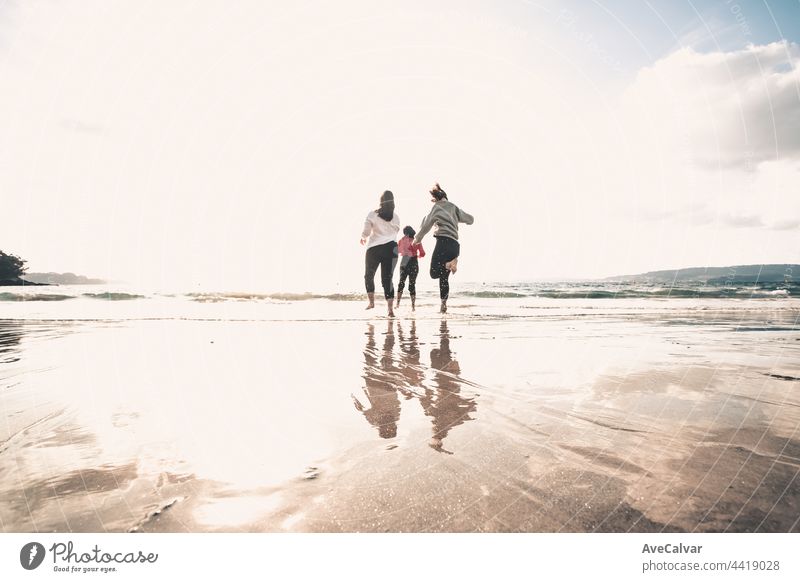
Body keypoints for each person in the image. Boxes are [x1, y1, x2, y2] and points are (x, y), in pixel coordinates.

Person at [413, 183, 474, 313]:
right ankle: (443, 306)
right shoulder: (454, 207)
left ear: (436, 199)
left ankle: (449, 265)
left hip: (442, 243)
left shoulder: (436, 208)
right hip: (454, 246)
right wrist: (466, 221)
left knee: (434, 272)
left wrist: (416, 240)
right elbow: (470, 219)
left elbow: (426, 226)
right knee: (444, 278)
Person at [360, 190, 400, 317]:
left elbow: (366, 231)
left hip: (374, 249)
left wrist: (363, 237)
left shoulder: (372, 214)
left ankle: (371, 303)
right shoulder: (396, 217)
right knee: (387, 279)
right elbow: (396, 231)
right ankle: (390, 310)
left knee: (369, 276)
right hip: (392, 248)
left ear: (381, 201)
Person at [396, 226, 425, 311]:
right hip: (414, 262)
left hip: (404, 262)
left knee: (401, 283)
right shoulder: (417, 241)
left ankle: (397, 304)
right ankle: (413, 307)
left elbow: (398, 251)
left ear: (405, 233)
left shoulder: (402, 240)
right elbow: (422, 253)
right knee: (412, 285)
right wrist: (418, 255)